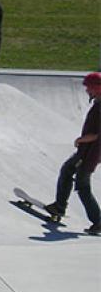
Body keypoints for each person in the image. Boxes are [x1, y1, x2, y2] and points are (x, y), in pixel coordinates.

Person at [45, 73, 101, 235]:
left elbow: (97, 134)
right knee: (69, 171)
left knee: (82, 185)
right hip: (89, 152)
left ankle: (96, 221)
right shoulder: (97, 103)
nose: (86, 91)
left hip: (89, 153)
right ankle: (60, 206)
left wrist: (81, 139)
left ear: (97, 89)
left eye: (88, 88)